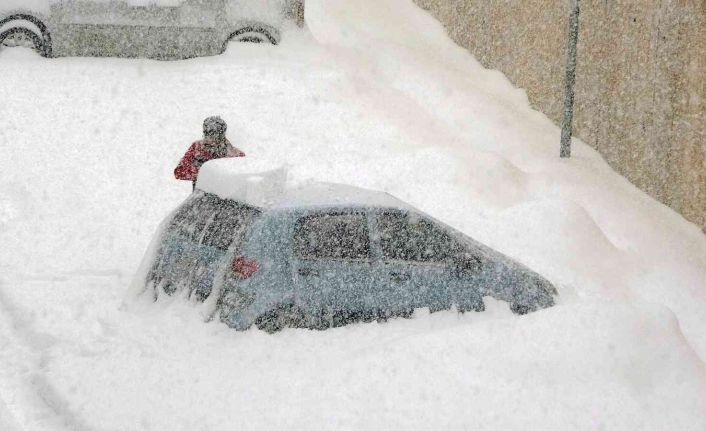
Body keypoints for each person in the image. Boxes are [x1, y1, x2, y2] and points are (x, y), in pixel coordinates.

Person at [174, 116, 245, 190]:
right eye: (207, 135)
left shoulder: (235, 155)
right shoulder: (197, 147)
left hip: (226, 197)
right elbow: (179, 171)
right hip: (201, 197)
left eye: (216, 136)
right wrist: (203, 173)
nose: (211, 140)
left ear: (222, 135)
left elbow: (243, 178)